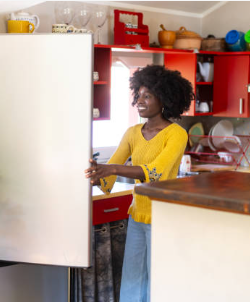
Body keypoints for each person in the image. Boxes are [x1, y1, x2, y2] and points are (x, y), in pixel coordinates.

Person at [85, 64, 194, 302]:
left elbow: (155, 172)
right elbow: (110, 172)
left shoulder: (176, 134)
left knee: (158, 281)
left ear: (163, 99)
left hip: (163, 217)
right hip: (137, 216)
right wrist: (94, 176)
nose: (140, 101)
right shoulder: (133, 132)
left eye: (148, 96)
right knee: (133, 280)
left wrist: (110, 168)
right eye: (138, 95)